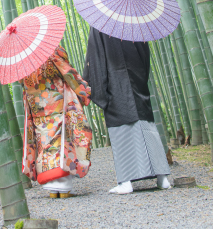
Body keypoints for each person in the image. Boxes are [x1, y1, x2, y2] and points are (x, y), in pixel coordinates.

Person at [83, 27, 172, 194]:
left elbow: (95, 57)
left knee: (122, 129)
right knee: (147, 127)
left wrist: (94, 85)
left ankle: (126, 182)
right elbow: (145, 55)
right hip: (137, 80)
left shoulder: (101, 23)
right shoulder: (133, 19)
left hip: (115, 83)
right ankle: (163, 178)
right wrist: (141, 78)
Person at [21, 45, 93, 198]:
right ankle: (64, 187)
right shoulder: (51, 50)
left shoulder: (22, 58)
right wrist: (83, 90)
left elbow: (23, 83)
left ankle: (53, 189)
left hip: (37, 107)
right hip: (57, 102)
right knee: (62, 140)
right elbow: (67, 73)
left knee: (44, 143)